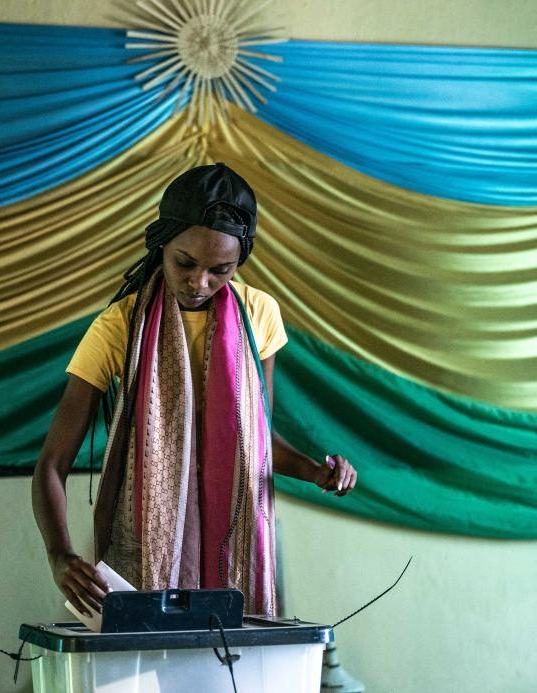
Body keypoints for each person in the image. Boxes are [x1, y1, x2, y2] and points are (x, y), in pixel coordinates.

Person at [32, 162, 357, 619]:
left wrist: (316, 471)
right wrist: (59, 554)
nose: (199, 282)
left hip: (234, 541)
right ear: (162, 243)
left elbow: (258, 442)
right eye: (185, 262)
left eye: (220, 270)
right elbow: (52, 463)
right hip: (144, 541)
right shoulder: (119, 327)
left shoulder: (258, 315)